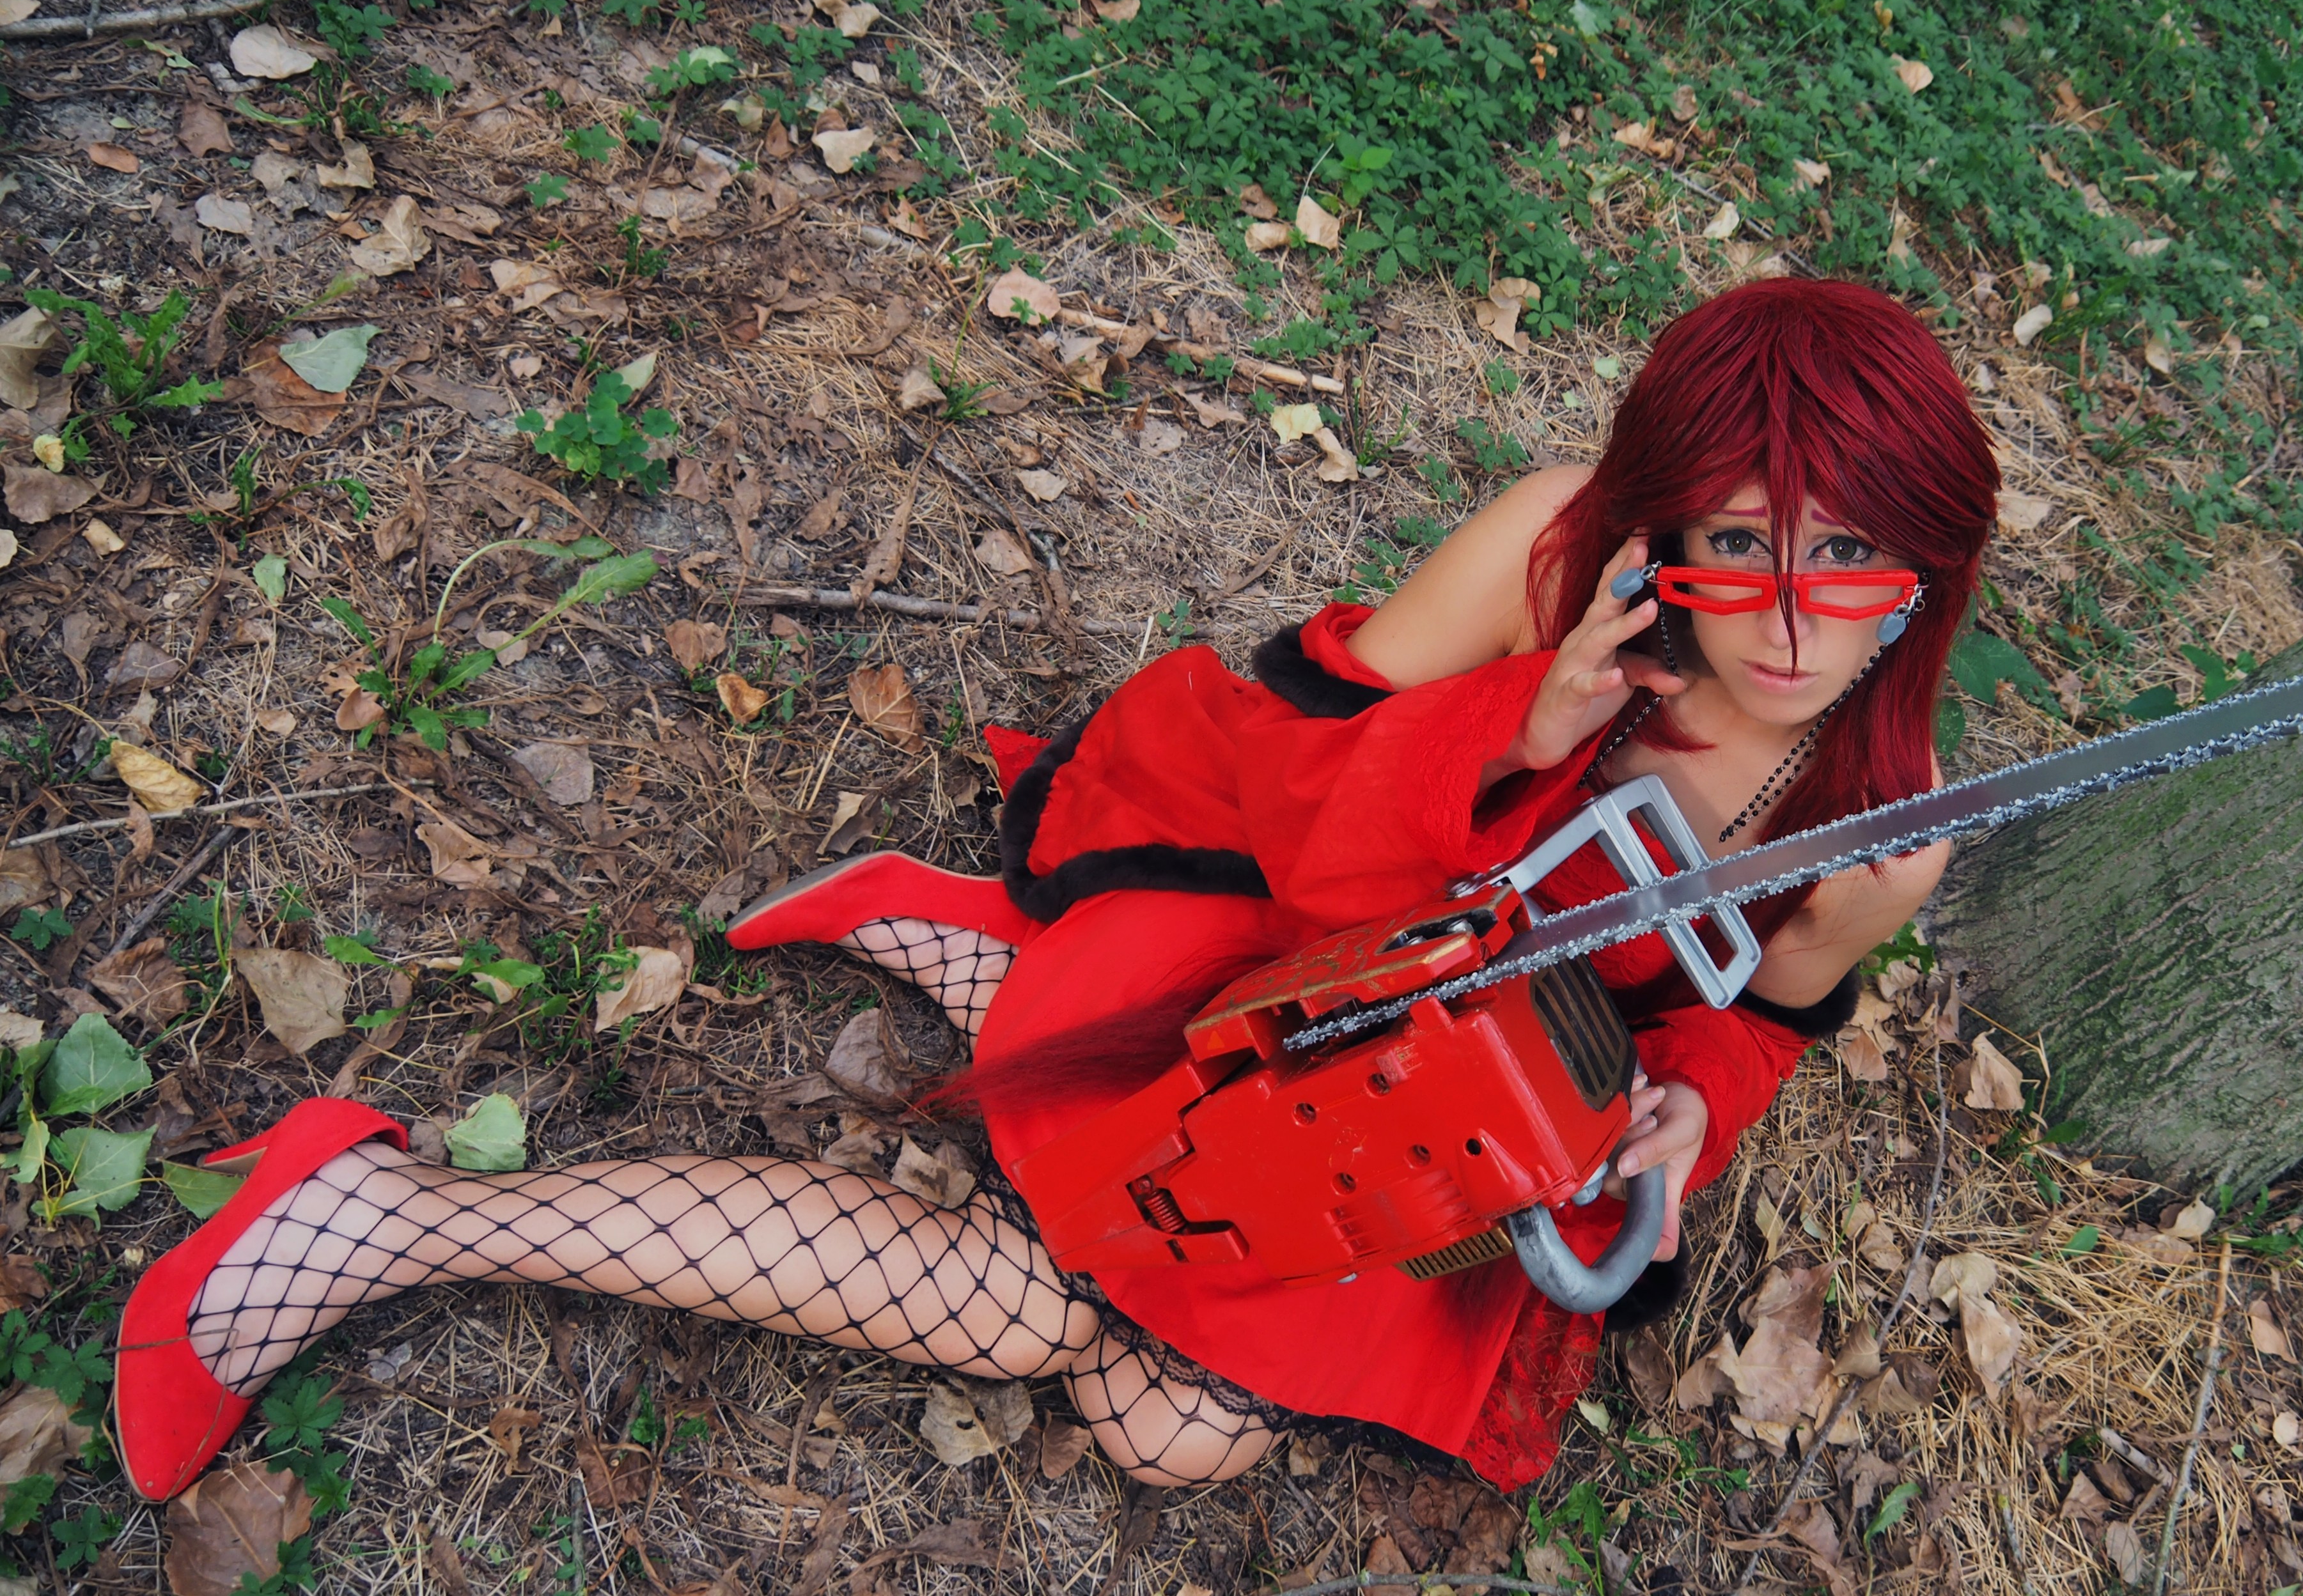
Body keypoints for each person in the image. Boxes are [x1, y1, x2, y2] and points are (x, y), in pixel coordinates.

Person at [112, 277, 2001, 1504]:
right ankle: (377, 1215)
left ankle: (971, 953)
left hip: (1440, 1102)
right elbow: (1289, 765)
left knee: (1165, 1429)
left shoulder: (1880, 830)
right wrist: (1515, 727)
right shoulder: (1552, 556)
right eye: (1738, 543)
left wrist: (1686, 1112)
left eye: (1846, 555)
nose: (1787, 619)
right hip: (1282, 937)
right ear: (1667, 521)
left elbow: (1750, 1039)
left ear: (1922, 565)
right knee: (1027, 1313)